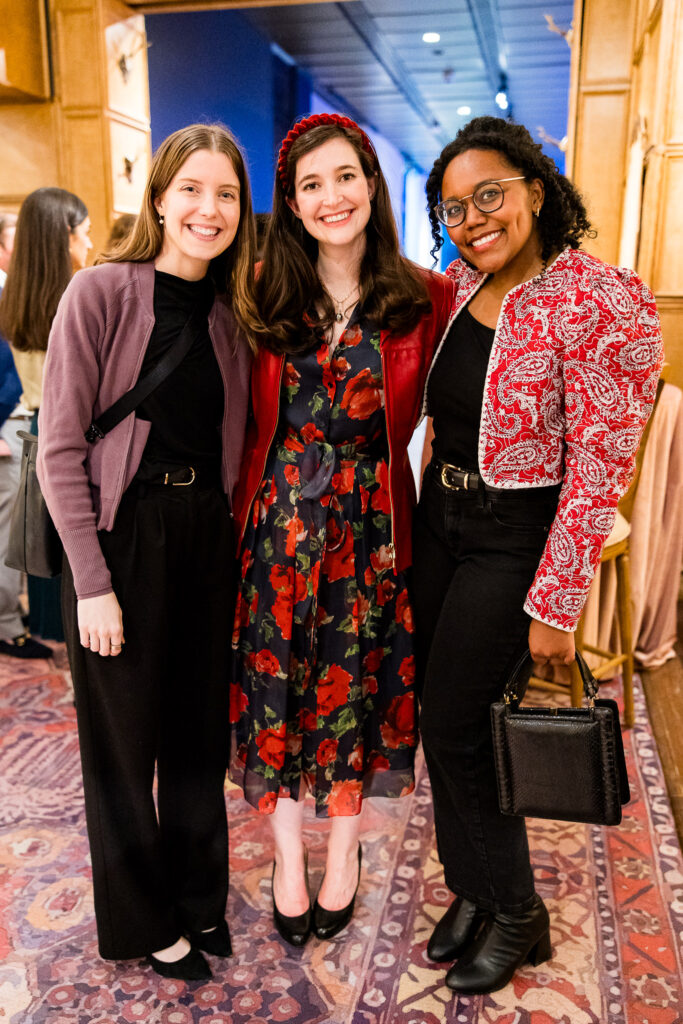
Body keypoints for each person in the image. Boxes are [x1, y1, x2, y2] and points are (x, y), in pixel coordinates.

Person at [412, 116, 664, 994]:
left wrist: (556, 606)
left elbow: (598, 470)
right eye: (453, 206)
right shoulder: (454, 287)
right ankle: (473, 890)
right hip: (436, 526)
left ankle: (517, 909)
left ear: (536, 187)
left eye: (490, 195)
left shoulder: (600, 297)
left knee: (457, 723)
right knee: (437, 722)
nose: (473, 218)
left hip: (513, 537)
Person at [36, 124, 256, 980]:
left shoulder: (234, 313)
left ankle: (200, 899)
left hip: (208, 537)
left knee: (199, 740)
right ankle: (142, 917)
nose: (208, 209)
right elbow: (59, 450)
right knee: (124, 743)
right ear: (159, 197)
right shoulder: (99, 292)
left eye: (226, 194)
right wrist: (91, 584)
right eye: (192, 190)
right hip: (123, 540)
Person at [229, 112, 455, 947]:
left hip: (372, 535)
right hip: (278, 536)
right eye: (310, 184)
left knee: (355, 697)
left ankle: (344, 856)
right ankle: (289, 857)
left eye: (345, 177)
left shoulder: (421, 295)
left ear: (370, 184)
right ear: (289, 202)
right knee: (276, 696)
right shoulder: (258, 288)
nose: (331, 197)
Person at [0, 189, 93, 646]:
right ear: (65, 238)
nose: (89, 245)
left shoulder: (16, 296)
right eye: (84, 233)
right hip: (74, 435)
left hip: (38, 432)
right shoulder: (75, 299)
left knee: (49, 555)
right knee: (79, 558)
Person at [0, 211, 50, 659]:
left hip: (25, 425)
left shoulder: (19, 292)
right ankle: (8, 626)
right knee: (11, 536)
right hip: (15, 427)